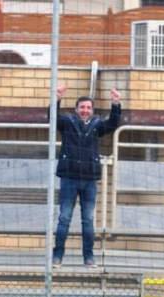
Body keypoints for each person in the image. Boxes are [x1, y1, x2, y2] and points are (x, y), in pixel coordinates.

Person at [51, 85, 122, 268]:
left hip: (89, 179)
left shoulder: (97, 125)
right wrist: (57, 98)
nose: (85, 110)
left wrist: (116, 103)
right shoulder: (67, 122)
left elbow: (113, 124)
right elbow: (52, 118)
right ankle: (57, 257)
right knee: (64, 218)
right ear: (76, 109)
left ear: (92, 110)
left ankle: (88, 258)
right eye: (82, 107)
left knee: (88, 220)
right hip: (69, 178)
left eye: (88, 108)